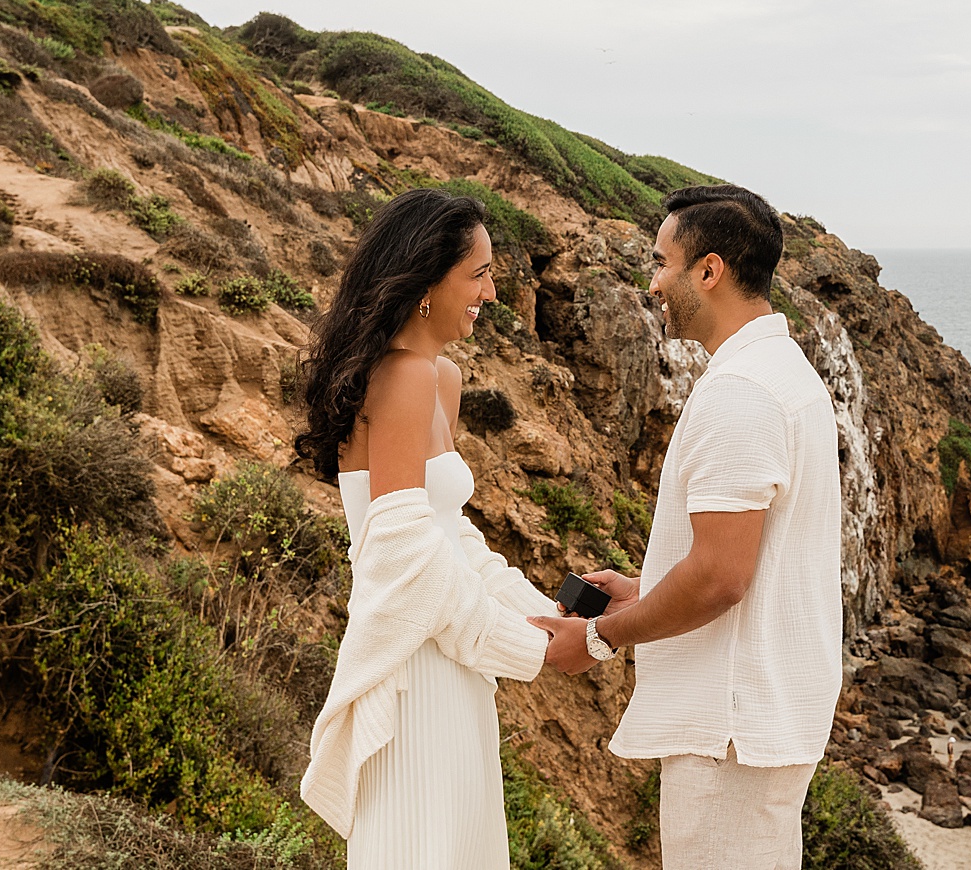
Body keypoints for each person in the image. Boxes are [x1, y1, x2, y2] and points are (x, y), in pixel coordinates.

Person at [530, 185, 844, 870]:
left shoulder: (741, 392)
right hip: (762, 714)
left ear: (709, 270)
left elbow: (722, 577)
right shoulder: (785, 374)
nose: (652, 283)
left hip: (729, 731)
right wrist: (646, 591)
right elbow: (756, 562)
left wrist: (600, 637)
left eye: (660, 263)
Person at [296, 190, 558, 869]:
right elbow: (405, 552)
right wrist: (531, 652)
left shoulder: (440, 377)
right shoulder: (404, 378)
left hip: (450, 660)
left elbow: (450, 534)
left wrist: (543, 614)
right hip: (414, 667)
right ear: (423, 279)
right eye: (478, 273)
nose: (492, 291)